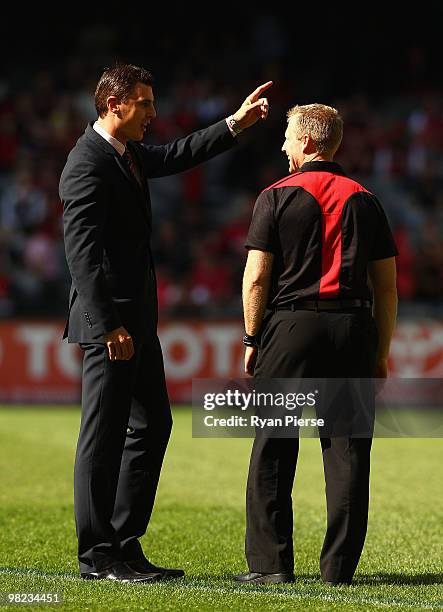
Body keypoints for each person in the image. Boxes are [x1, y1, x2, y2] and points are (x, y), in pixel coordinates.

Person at [59, 62, 271, 583]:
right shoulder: (87, 163)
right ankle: (96, 556)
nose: (154, 113)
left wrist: (235, 124)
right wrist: (108, 325)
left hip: (137, 321)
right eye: (146, 104)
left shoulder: (125, 154)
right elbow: (81, 255)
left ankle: (124, 542)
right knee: (102, 436)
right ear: (116, 104)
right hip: (112, 325)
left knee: (153, 423)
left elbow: (179, 154)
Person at [236, 103, 398, 585]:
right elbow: (386, 286)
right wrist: (381, 351)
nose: (283, 145)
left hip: (290, 327)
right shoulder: (366, 199)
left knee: (273, 445)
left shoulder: (275, 196)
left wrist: (251, 335)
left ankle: (270, 567)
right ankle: (338, 570)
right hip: (351, 328)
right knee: (348, 452)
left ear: (307, 141)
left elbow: (257, 276)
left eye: (287, 136)